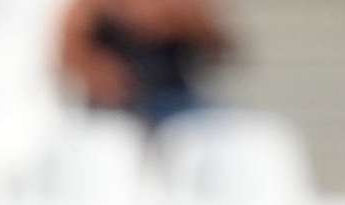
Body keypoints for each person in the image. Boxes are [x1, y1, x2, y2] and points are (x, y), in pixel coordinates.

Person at [56, 0, 235, 128]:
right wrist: (99, 73)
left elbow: (221, 48)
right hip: (115, 108)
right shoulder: (93, 7)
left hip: (175, 101)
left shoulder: (184, 7)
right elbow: (68, 52)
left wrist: (186, 22)